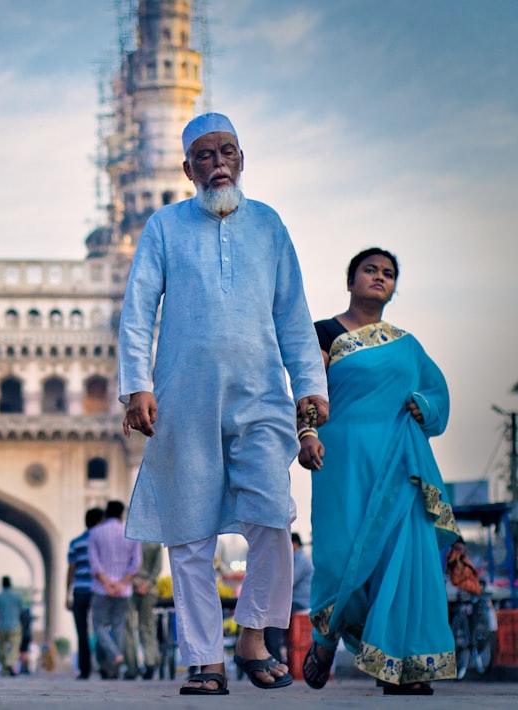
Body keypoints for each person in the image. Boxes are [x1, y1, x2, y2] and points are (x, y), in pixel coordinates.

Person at [119, 112, 329, 695]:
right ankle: (204, 659)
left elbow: (292, 315)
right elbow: (138, 310)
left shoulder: (268, 225)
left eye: (227, 152)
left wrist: (309, 387)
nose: (218, 165)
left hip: (261, 392)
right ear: (188, 169)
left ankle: (254, 633)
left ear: (242, 160)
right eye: (205, 156)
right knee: (189, 535)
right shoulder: (164, 226)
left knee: (272, 514)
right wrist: (138, 384)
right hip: (183, 397)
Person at [299, 247, 457, 695]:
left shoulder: (408, 345)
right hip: (341, 461)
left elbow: (437, 394)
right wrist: (305, 435)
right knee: (339, 556)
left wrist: (423, 406)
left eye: (388, 273)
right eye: (369, 269)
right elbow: (307, 392)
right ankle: (325, 637)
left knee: (400, 557)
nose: (379, 277)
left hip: (398, 464)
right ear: (350, 281)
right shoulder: (324, 333)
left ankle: (404, 666)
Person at [87, 500, 141, 680]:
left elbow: (94, 562)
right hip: (123, 590)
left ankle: (115, 655)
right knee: (118, 626)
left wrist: (107, 583)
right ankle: (115, 665)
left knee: (98, 626)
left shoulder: (95, 532)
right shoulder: (131, 533)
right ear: (122, 514)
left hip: (101, 589)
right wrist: (121, 583)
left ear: (106, 514)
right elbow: (136, 564)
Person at [66, 507, 104, 680]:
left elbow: (71, 570)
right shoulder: (102, 541)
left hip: (80, 590)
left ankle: (84, 669)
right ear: (99, 521)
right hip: (98, 590)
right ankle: (105, 667)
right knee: (101, 629)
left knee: (82, 632)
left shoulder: (76, 542)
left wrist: (67, 593)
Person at [264, 532, 313, 663]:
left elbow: (287, 582)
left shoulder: (301, 560)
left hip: (299, 603)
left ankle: (276, 660)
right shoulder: (295, 559)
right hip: (292, 602)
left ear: (294, 544)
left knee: (273, 621)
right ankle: (274, 658)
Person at [124, 541, 163, 680]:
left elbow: (124, 564)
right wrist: (147, 582)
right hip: (149, 588)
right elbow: (157, 568)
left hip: (129, 586)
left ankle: (131, 667)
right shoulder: (155, 541)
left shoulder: (129, 539)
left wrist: (135, 582)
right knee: (147, 626)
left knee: (127, 627)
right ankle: (150, 660)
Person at [0, 576, 23, 676]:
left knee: (1, 647)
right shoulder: (17, 596)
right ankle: (11, 663)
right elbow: (22, 611)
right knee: (14, 647)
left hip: (1, 626)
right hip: (14, 625)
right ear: (10, 584)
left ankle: (4, 668)